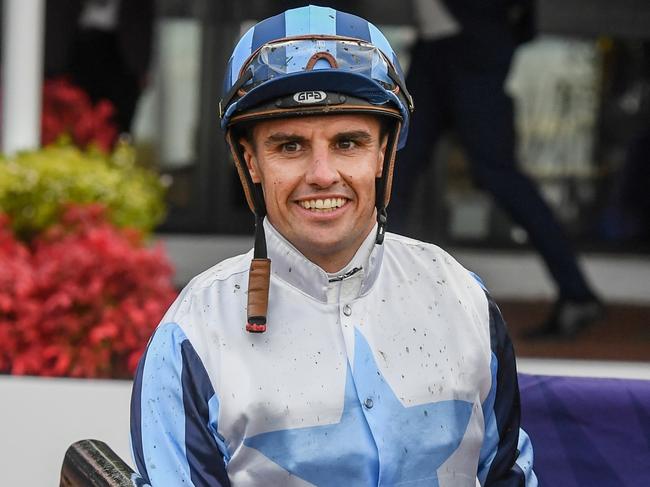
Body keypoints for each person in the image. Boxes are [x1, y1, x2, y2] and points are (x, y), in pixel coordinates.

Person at [130, 6, 537, 486]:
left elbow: (508, 474)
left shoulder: (464, 299)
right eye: (290, 146)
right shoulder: (191, 334)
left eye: (348, 143)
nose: (322, 175)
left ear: (383, 153)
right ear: (250, 160)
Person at [389, 0, 604, 338]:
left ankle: (577, 293)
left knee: (498, 174)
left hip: (474, 48)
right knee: (393, 170)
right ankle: (378, 295)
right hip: (434, 50)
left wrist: (498, 32)